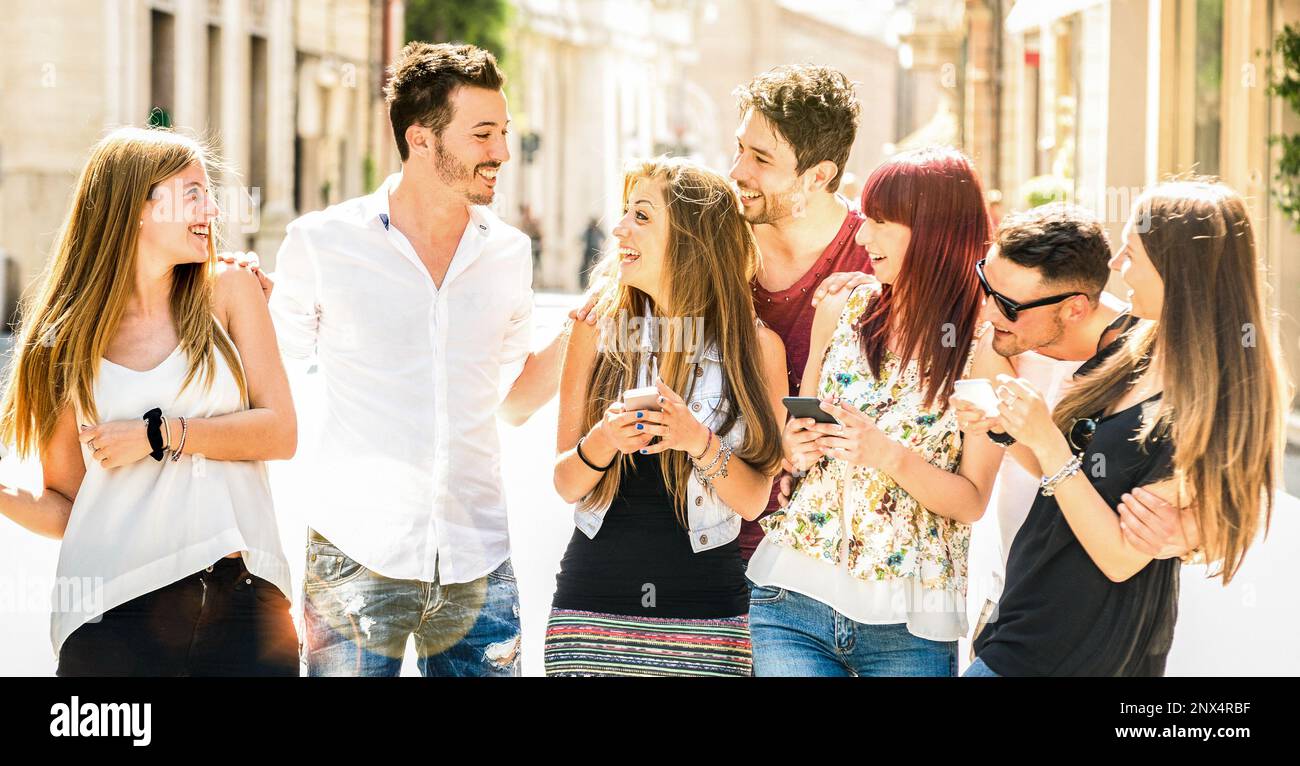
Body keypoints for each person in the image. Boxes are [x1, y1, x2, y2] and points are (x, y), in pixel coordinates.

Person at [269, 42, 565, 677]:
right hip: (353, 559)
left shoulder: (509, 253)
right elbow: (261, 369)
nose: (502, 154)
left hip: (477, 561)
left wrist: (590, 325)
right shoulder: (322, 245)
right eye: (483, 135)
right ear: (422, 140)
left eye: (505, 132)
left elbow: (512, 400)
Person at [0, 126, 298, 676]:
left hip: (242, 606)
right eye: (192, 193)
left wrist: (162, 435)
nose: (212, 208)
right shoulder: (63, 340)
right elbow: (66, 504)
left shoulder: (230, 291)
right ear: (134, 208)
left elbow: (280, 432)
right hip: (110, 616)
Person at [965, 180, 1286, 676]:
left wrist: (1047, 444)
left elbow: (1118, 557)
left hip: (1075, 654)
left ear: (1179, 271)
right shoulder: (1131, 354)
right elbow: (1066, 476)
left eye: (1132, 254)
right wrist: (1010, 430)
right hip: (1022, 627)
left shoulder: (1205, 404)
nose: (1116, 267)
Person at [749, 146, 1012, 676]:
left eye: (879, 222)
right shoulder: (840, 307)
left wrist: (887, 455)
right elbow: (792, 447)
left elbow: (971, 501)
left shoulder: (985, 347)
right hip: (792, 600)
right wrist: (793, 448)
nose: (862, 237)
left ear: (933, 231)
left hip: (909, 627)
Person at [546, 158, 787, 676]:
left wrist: (696, 440)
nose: (619, 228)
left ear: (691, 237)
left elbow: (752, 501)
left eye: (641, 215)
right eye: (624, 213)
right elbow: (566, 483)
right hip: (591, 615)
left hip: (708, 616)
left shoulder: (758, 347)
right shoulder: (595, 330)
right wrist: (604, 439)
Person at [955, 203, 1199, 648]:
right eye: (985, 285)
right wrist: (1004, 429)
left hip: (1098, 620)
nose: (989, 313)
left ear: (1074, 308)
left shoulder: (1142, 362)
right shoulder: (1003, 341)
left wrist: (1197, 527)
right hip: (1009, 593)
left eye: (1008, 305)